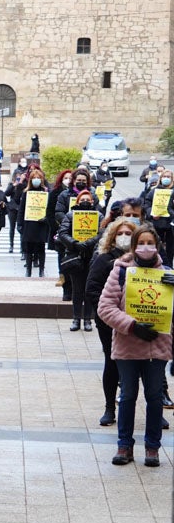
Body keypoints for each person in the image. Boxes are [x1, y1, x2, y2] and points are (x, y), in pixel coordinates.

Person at [97, 224, 173, 468]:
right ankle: (124, 445)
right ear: (133, 246)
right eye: (141, 243)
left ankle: (152, 447)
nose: (146, 248)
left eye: (151, 243)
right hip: (128, 346)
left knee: (154, 397)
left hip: (157, 347)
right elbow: (105, 308)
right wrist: (131, 325)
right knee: (128, 396)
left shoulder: (167, 273)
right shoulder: (120, 272)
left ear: (157, 245)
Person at [86, 218, 136, 427]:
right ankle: (109, 407)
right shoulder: (104, 259)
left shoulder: (141, 260)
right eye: (120, 233)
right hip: (109, 322)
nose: (124, 237)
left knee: (139, 366)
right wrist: (110, 312)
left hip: (137, 323)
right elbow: (92, 289)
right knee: (112, 360)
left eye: (129, 233)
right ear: (113, 236)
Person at [57, 190, 102, 332]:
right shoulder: (70, 215)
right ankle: (76, 318)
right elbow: (62, 233)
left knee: (89, 289)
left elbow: (103, 233)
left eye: (88, 200)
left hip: (92, 256)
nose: (85, 202)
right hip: (75, 255)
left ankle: (88, 319)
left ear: (93, 202)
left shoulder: (99, 216)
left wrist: (89, 242)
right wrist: (75, 243)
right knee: (77, 289)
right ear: (77, 202)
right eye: (82, 199)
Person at [19, 167, 50, 277]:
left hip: (41, 224)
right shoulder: (26, 193)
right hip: (29, 224)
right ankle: (28, 270)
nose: (36, 179)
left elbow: (49, 209)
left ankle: (41, 269)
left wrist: (47, 218)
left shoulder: (46, 192)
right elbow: (21, 210)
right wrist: (20, 224)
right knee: (28, 248)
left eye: (38, 178)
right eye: (34, 178)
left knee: (41, 248)